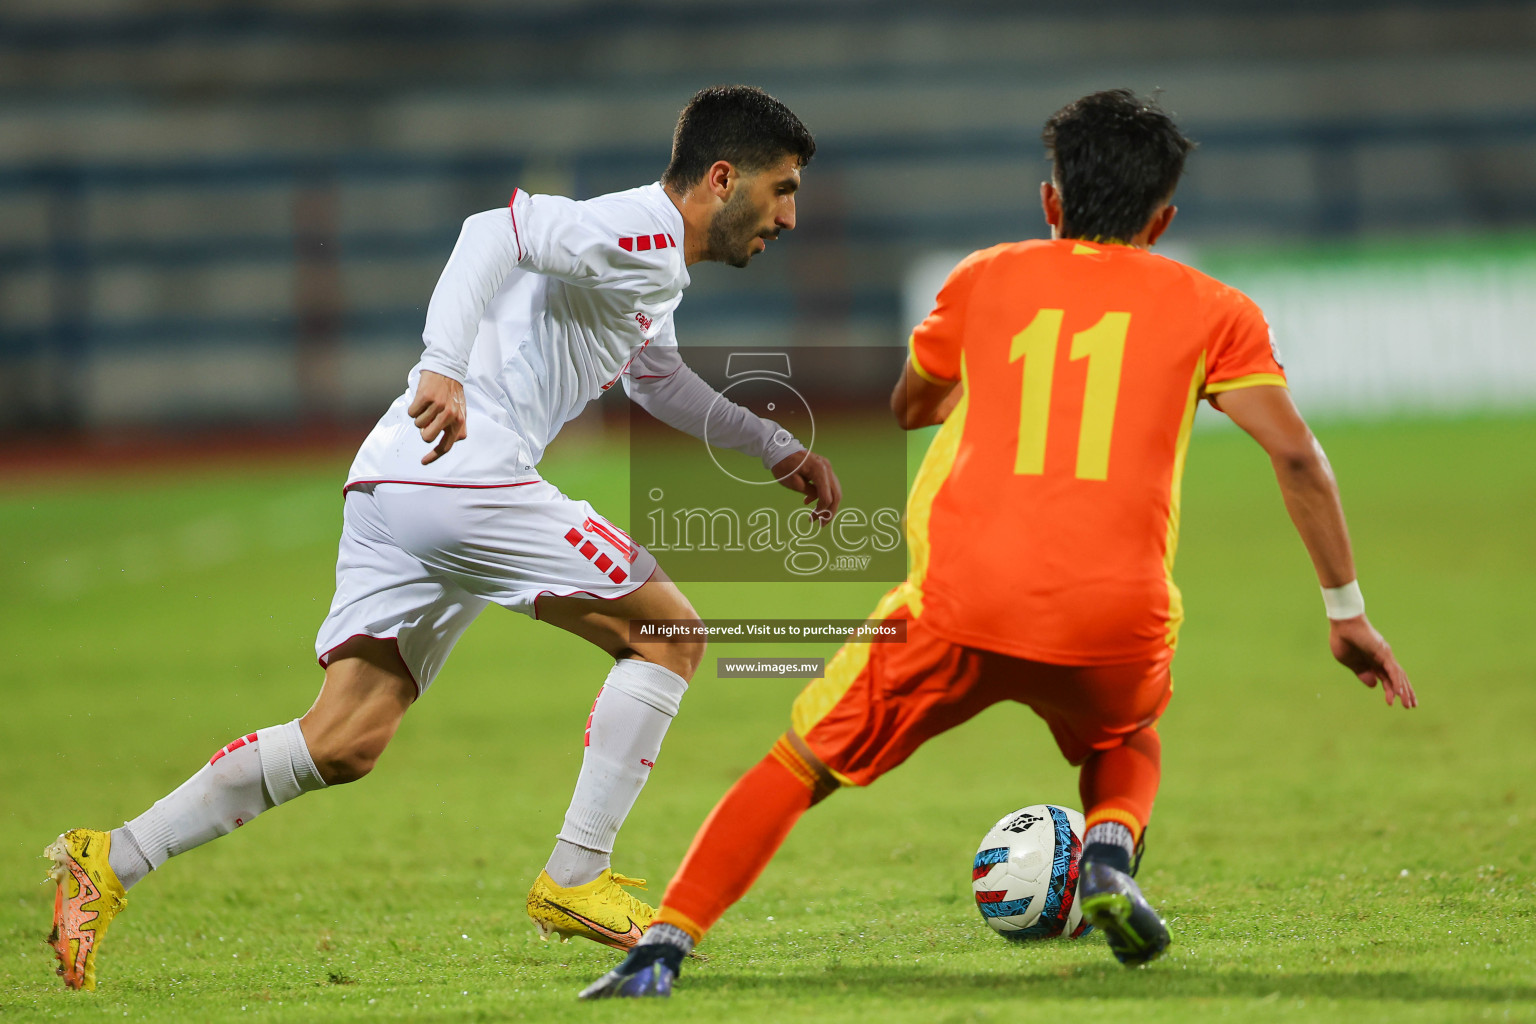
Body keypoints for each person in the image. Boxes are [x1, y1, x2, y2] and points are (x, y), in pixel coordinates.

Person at [580, 88, 1417, 999]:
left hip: (960, 602)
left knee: (800, 765)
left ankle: (663, 944)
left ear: (1051, 202)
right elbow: (1298, 456)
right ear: (1165, 218)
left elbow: (909, 407)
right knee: (1127, 731)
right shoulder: (1218, 310)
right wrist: (1347, 615)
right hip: (1116, 614)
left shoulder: (987, 277)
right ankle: (1107, 852)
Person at [45, 84, 843, 992]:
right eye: (782, 189)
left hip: (395, 478)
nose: (788, 215)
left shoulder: (654, 264)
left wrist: (773, 446)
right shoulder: (642, 231)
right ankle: (577, 874)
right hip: (461, 466)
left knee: (342, 740)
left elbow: (657, 379)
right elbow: (488, 232)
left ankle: (108, 858)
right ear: (723, 176)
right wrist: (443, 365)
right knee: (669, 632)